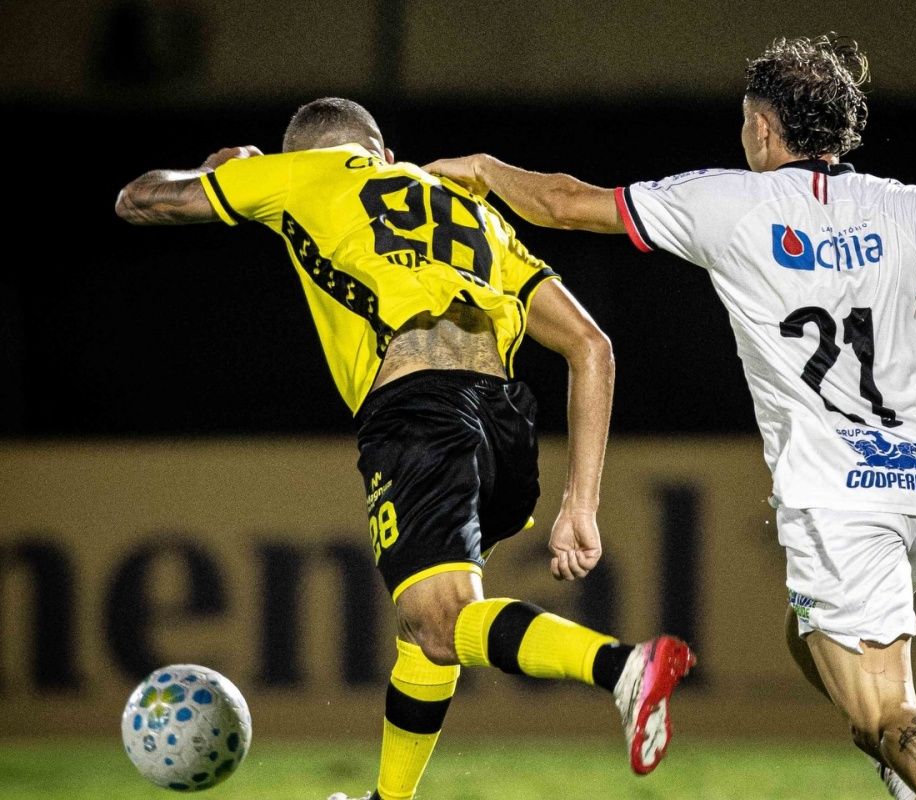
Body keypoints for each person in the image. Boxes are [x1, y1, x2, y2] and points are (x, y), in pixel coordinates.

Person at [424, 34, 916, 800]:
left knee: (884, 713)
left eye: (746, 119)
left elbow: (564, 205)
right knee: (816, 651)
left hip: (838, 497)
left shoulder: (728, 202)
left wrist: (483, 169)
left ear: (765, 128)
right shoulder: (911, 208)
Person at [114, 97, 695, 799]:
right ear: (384, 151)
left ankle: (624, 669)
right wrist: (582, 504)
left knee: (442, 623)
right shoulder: (467, 208)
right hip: (504, 424)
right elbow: (591, 347)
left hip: (419, 404)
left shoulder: (300, 176)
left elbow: (140, 200)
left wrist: (223, 169)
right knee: (425, 630)